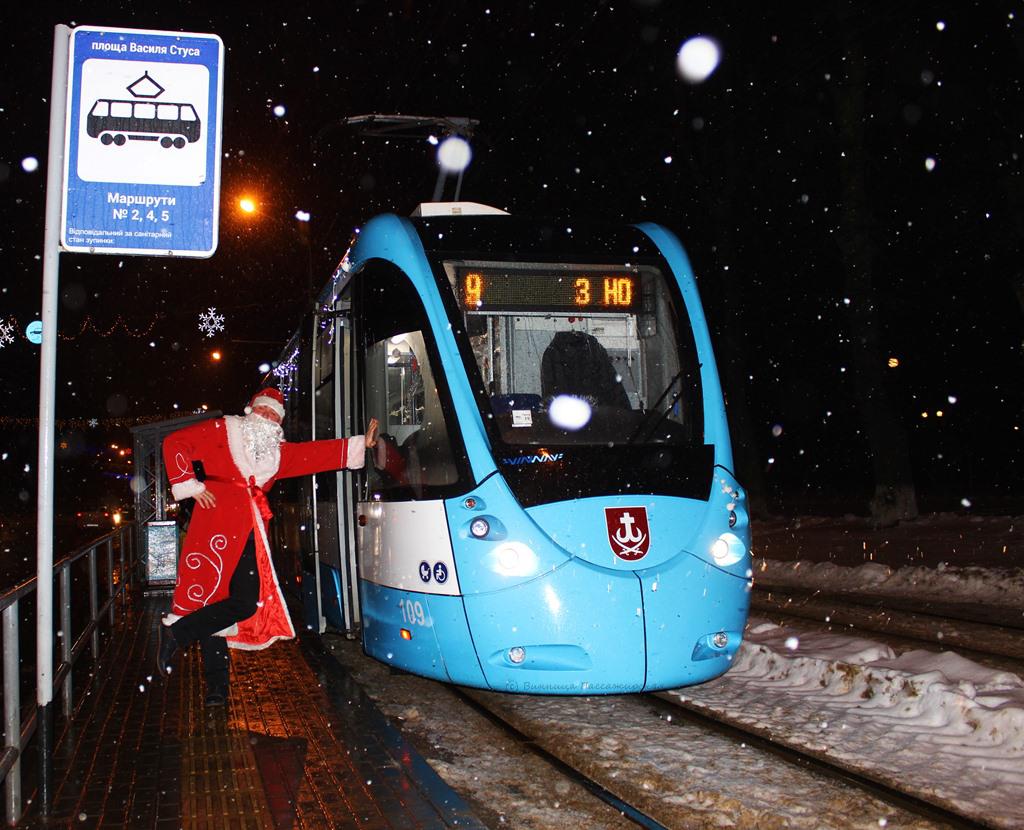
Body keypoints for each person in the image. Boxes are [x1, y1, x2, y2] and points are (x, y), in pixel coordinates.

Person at [156, 387, 378, 706]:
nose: (269, 417)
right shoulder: (224, 427)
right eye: (264, 411)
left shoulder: (276, 453)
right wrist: (190, 485)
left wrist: (359, 444)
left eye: (275, 415)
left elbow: (313, 455)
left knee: (244, 603)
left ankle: (176, 635)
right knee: (209, 600)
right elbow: (175, 443)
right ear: (251, 410)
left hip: (250, 532)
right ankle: (216, 686)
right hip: (215, 526)